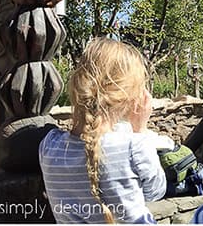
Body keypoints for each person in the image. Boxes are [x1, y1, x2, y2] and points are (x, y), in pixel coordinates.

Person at [39, 37, 166, 223]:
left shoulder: (49, 146)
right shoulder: (134, 146)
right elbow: (155, 191)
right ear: (129, 97)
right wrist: (140, 129)